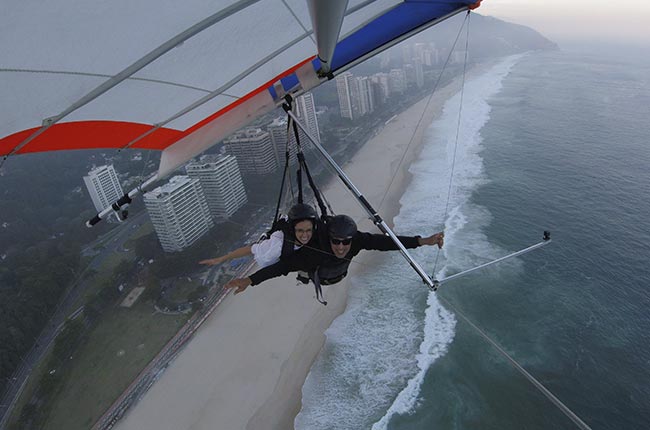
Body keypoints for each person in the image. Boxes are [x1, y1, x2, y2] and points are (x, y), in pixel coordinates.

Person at [224, 214, 444, 300]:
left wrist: (423, 241)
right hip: (321, 274)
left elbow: (387, 242)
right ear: (329, 238)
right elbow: (280, 268)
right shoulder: (312, 254)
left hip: (338, 273)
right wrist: (249, 281)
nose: (341, 246)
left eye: (345, 241)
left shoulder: (356, 240)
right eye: (336, 241)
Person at [199, 203, 319, 269]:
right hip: (271, 252)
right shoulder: (275, 246)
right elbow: (250, 249)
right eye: (300, 231)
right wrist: (222, 259)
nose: (305, 235)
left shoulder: (314, 232)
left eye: (308, 230)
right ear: (293, 230)